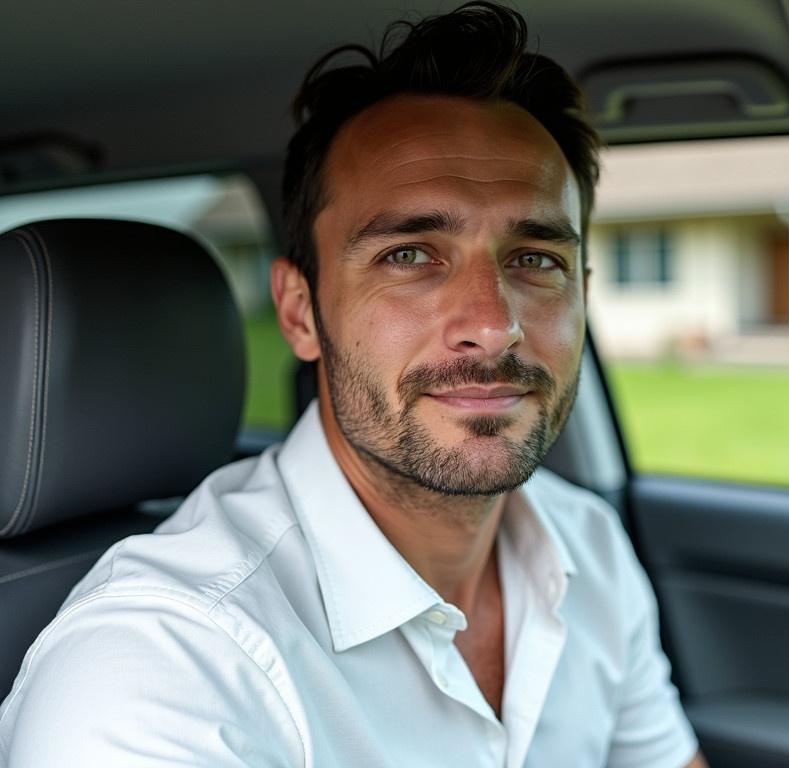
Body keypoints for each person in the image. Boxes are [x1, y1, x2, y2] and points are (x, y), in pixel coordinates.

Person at [0, 3, 705, 766]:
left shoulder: (586, 546)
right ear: (301, 312)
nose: (493, 323)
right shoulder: (162, 666)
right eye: (410, 255)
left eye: (536, 259)